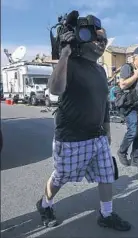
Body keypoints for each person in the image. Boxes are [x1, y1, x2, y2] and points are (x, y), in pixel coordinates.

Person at [36, 27, 131, 231]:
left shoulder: (100, 70)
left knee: (106, 175)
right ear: (83, 38)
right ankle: (45, 204)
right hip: (71, 138)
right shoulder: (70, 63)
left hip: (97, 136)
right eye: (97, 37)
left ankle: (106, 214)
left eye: (104, 39)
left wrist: (107, 130)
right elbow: (55, 89)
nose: (102, 41)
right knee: (61, 177)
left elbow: (103, 102)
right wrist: (64, 55)